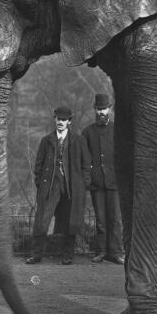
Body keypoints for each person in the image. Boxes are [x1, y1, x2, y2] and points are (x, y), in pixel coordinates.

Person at [26, 106, 91, 266]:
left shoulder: (78, 140)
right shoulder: (46, 141)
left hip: (72, 188)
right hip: (50, 186)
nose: (60, 122)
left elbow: (86, 165)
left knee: (71, 221)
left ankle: (68, 255)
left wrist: (82, 185)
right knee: (42, 220)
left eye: (64, 120)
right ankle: (36, 254)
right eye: (58, 119)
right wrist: (41, 185)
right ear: (54, 120)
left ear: (69, 121)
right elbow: (38, 166)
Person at [82, 93, 125, 265]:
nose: (101, 112)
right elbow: (84, 158)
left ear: (110, 109)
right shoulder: (87, 132)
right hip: (96, 183)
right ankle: (101, 252)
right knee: (100, 219)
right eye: (99, 109)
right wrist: (89, 177)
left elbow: (123, 156)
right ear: (95, 109)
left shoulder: (117, 130)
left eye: (104, 108)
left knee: (115, 219)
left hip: (114, 182)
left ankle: (116, 252)